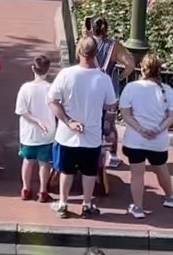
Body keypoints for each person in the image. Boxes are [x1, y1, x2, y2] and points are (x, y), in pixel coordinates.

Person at [48, 35, 117, 218]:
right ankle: (86, 204)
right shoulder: (103, 79)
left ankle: (63, 203)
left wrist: (68, 121)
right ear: (96, 54)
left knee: (66, 170)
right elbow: (110, 104)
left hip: (67, 134)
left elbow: (52, 101)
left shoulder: (66, 74)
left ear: (79, 51)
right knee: (89, 172)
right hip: (92, 135)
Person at [118, 52, 173, 219]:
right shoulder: (168, 90)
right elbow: (171, 116)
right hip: (158, 141)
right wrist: (158, 129)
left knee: (137, 174)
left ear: (142, 69)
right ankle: (170, 197)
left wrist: (141, 129)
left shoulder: (131, 88)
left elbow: (126, 114)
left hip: (136, 140)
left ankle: (138, 207)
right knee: (161, 169)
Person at [89, 16, 135, 168]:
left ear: (91, 28)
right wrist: (120, 77)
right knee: (109, 124)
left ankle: (91, 152)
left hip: (89, 89)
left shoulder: (86, 43)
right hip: (109, 90)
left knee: (90, 120)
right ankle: (112, 156)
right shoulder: (114, 46)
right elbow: (130, 64)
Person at [15, 53, 56, 202]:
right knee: (44, 163)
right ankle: (43, 191)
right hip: (48, 132)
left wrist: (35, 120)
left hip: (29, 133)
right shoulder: (51, 88)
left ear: (33, 68)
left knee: (27, 160)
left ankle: (26, 189)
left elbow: (22, 111)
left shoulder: (25, 88)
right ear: (48, 70)